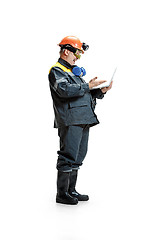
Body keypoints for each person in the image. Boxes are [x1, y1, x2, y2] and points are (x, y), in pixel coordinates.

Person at [48, 36, 113, 205]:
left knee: (79, 155)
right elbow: (64, 91)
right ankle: (62, 194)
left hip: (83, 118)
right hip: (70, 119)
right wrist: (88, 86)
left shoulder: (73, 72)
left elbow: (81, 94)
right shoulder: (57, 71)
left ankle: (71, 190)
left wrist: (100, 91)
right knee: (68, 155)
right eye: (77, 54)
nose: (77, 58)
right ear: (66, 51)